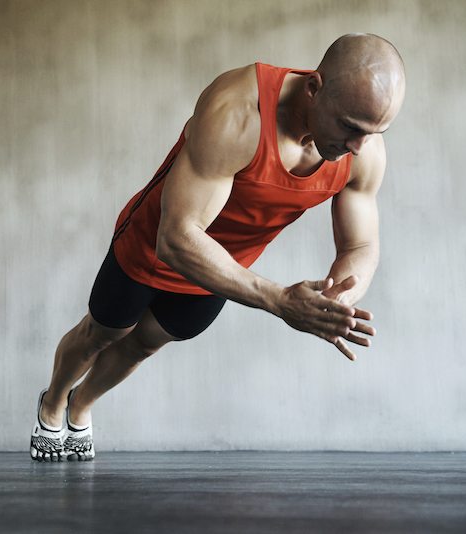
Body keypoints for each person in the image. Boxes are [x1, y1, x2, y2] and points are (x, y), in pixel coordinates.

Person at [30, 33, 406, 462]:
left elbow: (360, 244)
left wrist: (336, 301)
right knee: (105, 332)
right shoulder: (238, 110)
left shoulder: (365, 149)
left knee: (144, 344)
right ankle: (54, 399)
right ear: (314, 88)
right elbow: (176, 236)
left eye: (376, 132)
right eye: (350, 127)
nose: (360, 146)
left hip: (226, 269)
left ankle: (82, 406)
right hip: (155, 243)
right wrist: (280, 301)